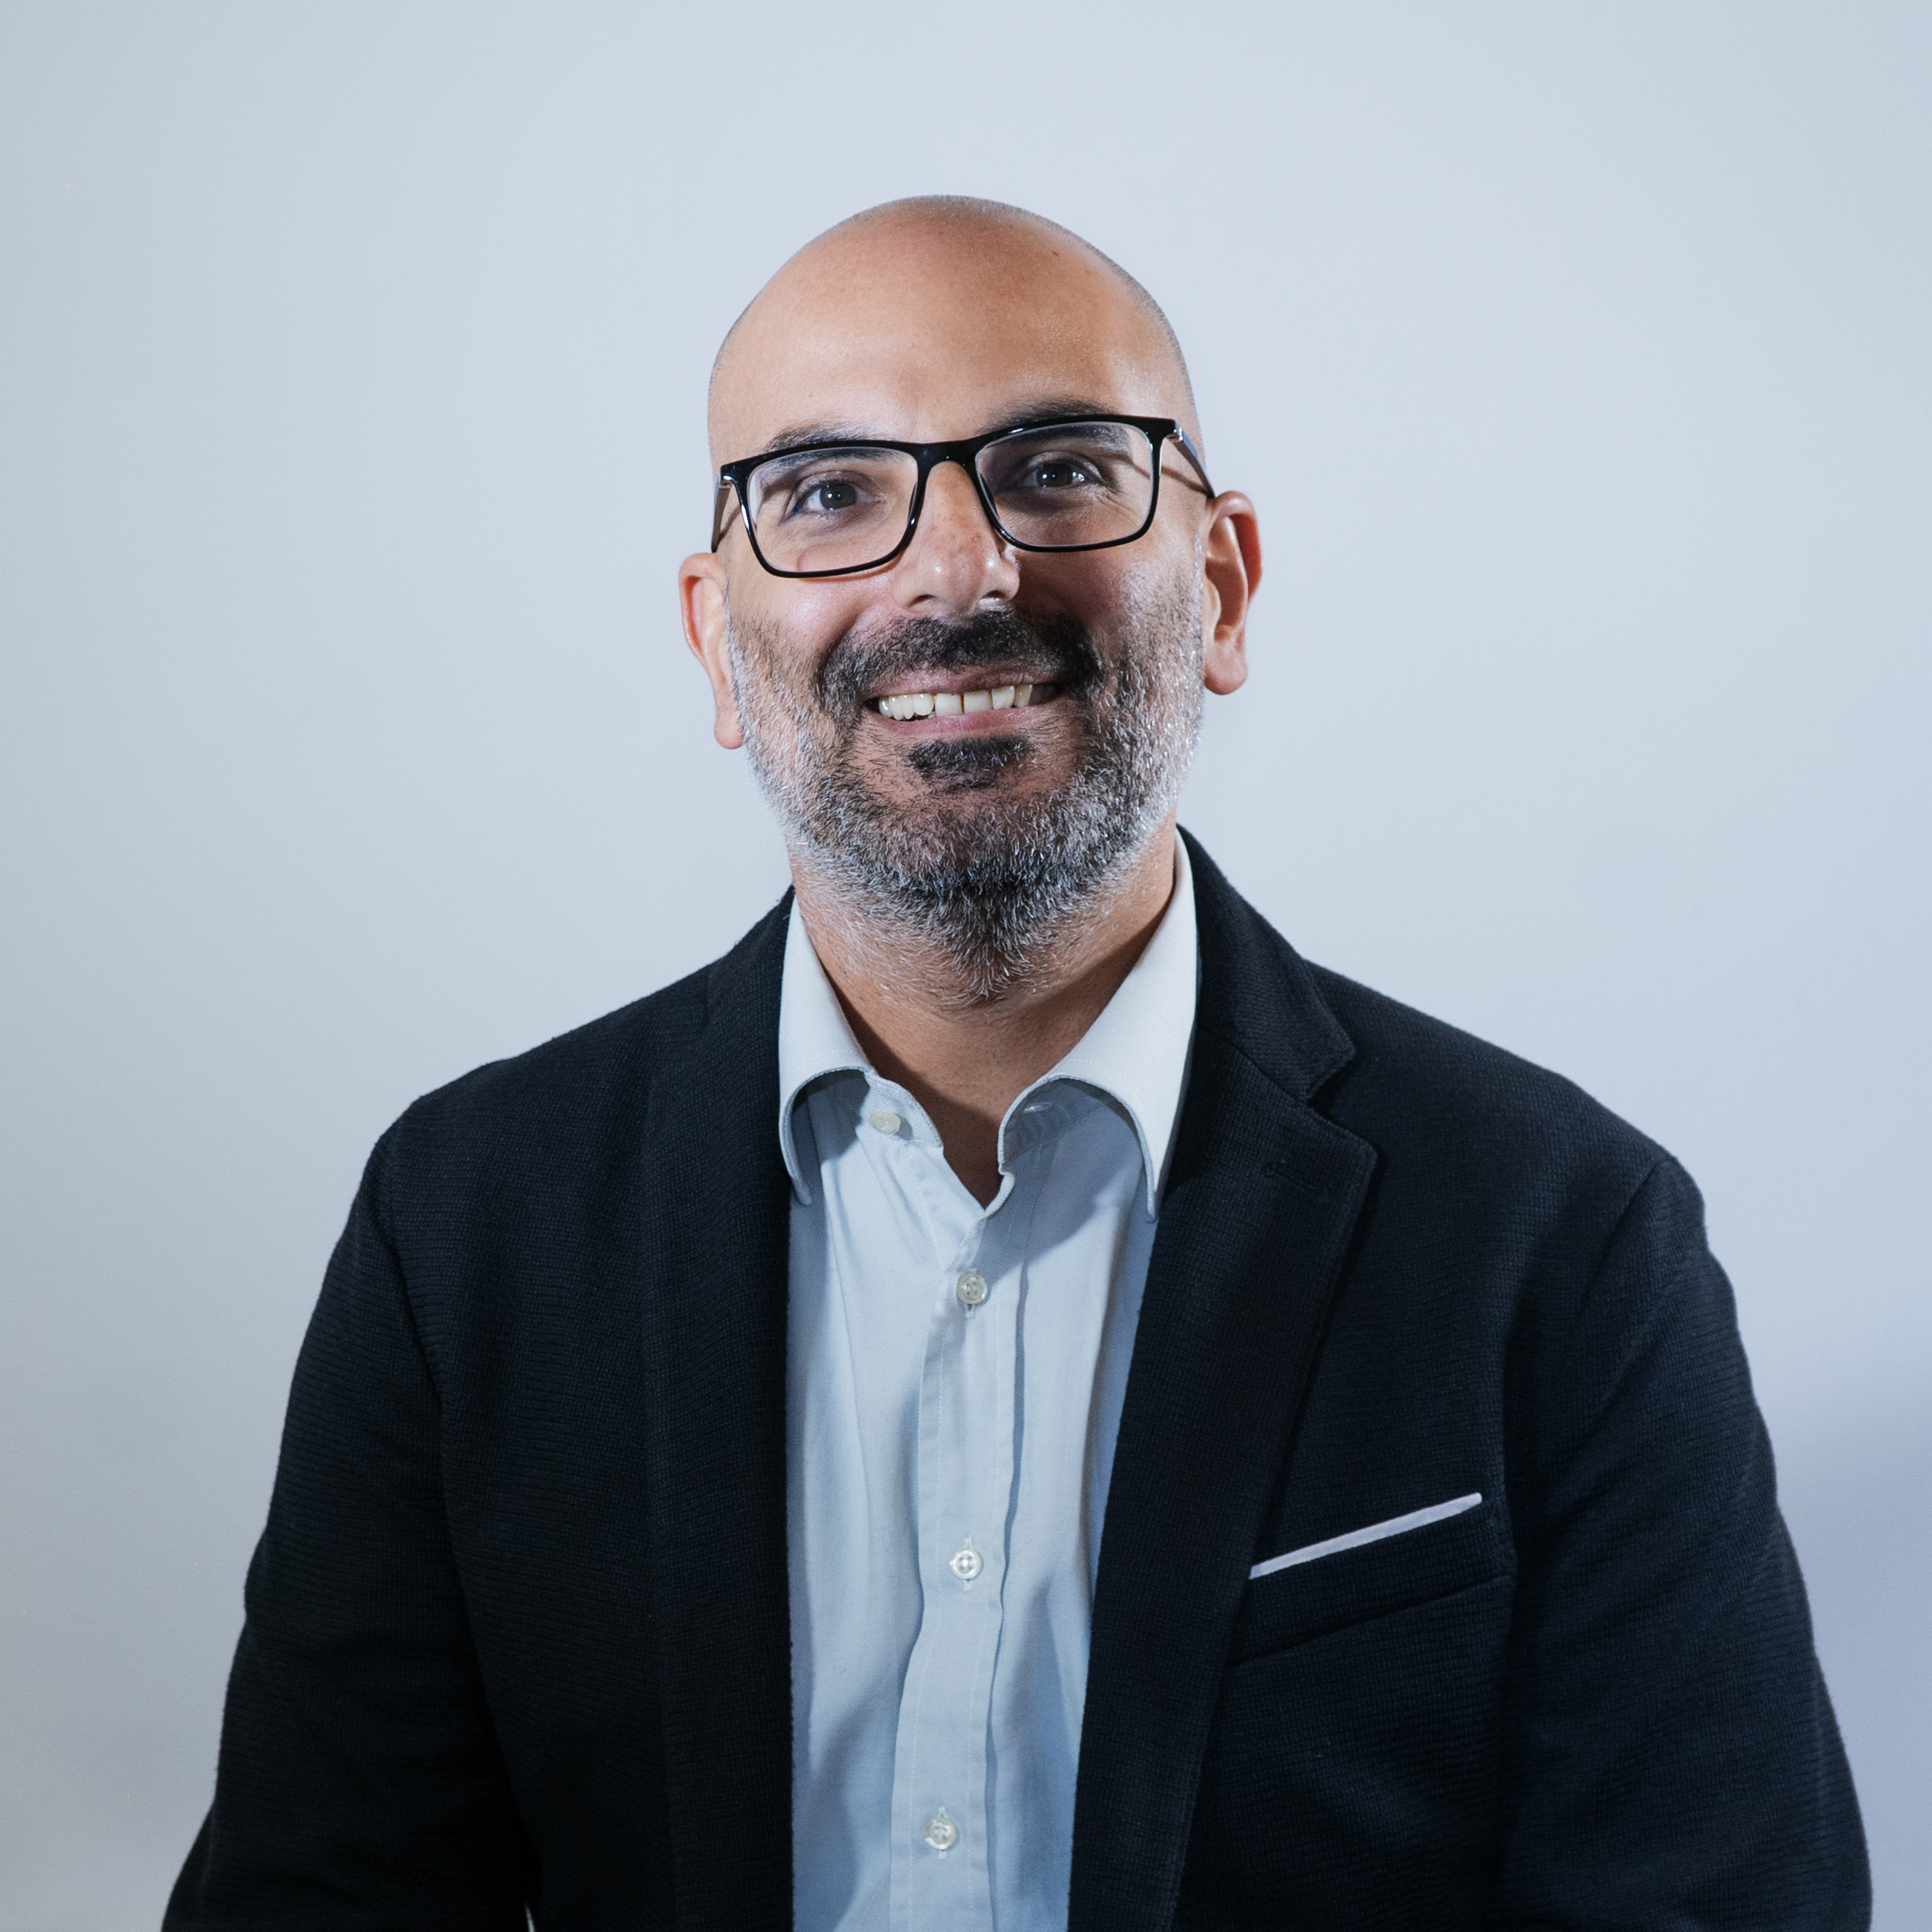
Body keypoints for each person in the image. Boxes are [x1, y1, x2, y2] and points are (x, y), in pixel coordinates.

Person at [164, 197, 1868, 1932]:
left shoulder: (1562, 1238)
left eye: (1059, 470)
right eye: (826, 493)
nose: (956, 572)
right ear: (716, 642)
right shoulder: (467, 1230)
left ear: (1221, 588)